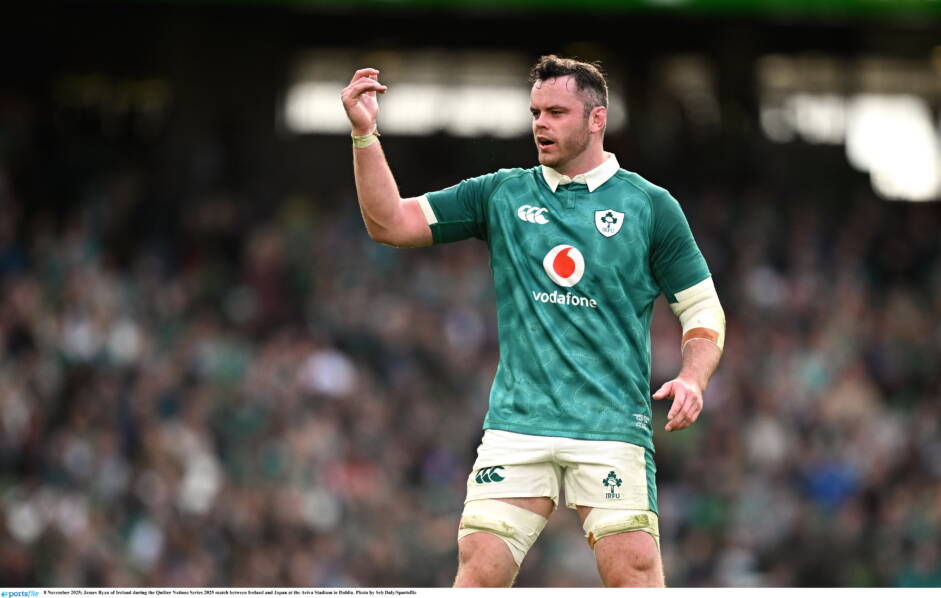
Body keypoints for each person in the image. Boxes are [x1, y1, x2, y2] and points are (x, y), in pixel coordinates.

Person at [340, 55, 725, 588]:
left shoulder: (650, 207)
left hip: (610, 426)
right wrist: (365, 136)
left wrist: (693, 377)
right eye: (536, 111)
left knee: (634, 574)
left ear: (597, 120)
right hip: (519, 425)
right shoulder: (503, 192)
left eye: (557, 112)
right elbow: (391, 222)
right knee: (479, 570)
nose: (540, 123)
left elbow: (702, 310)